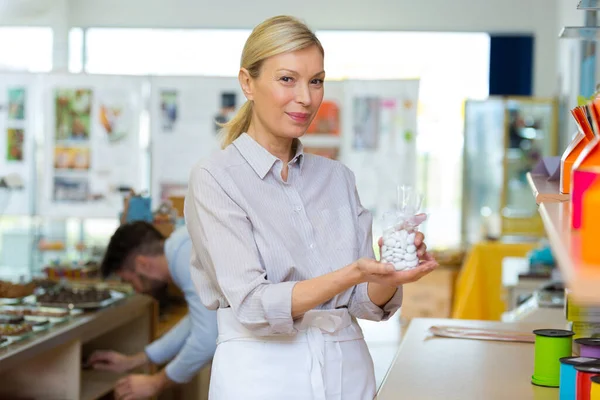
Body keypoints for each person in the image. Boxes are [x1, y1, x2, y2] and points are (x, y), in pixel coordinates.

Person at [184, 15, 439, 400]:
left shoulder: (337, 178)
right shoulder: (215, 178)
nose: (305, 97)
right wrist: (352, 272)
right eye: (287, 79)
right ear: (247, 83)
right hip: (260, 374)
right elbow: (253, 305)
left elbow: (364, 305)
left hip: (348, 369)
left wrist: (387, 273)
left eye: (316, 81)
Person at [87, 222, 217, 399]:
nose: (137, 290)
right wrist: (138, 359)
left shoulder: (185, 258)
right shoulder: (181, 247)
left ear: (142, 264)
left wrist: (156, 382)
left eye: (131, 281)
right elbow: (199, 322)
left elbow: (206, 339)